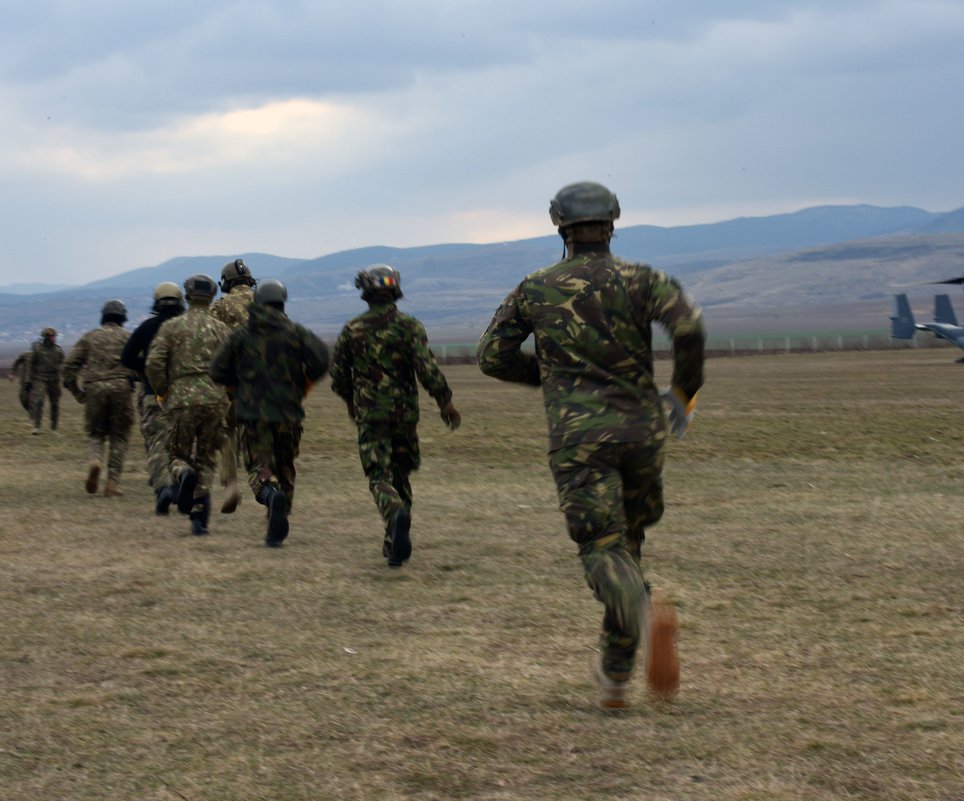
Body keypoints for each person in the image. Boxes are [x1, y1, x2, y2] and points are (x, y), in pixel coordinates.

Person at [477, 181, 706, 709]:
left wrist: (551, 375)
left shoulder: (536, 286)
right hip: (643, 432)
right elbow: (690, 328)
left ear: (560, 226)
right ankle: (615, 679)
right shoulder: (644, 278)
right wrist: (683, 392)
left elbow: (491, 355)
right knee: (627, 547)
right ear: (612, 222)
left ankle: (646, 620)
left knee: (601, 548)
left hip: (580, 437)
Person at [329, 265, 462, 567]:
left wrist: (351, 404)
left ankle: (394, 516)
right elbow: (427, 369)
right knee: (400, 473)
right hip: (405, 414)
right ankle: (395, 538)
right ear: (396, 291)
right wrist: (445, 402)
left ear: (365, 293)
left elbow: (338, 376)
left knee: (379, 474)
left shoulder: (352, 330)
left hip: (370, 413)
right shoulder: (410, 326)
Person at [209, 279, 330, 547]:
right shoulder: (296, 332)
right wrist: (303, 382)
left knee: (259, 467)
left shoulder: (242, 335)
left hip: (253, 415)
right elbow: (322, 359)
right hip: (289, 413)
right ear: (282, 301)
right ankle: (277, 522)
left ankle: (268, 494)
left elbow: (216, 370)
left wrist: (237, 383)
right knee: (285, 466)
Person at [146, 275, 232, 535]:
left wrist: (163, 390)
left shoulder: (172, 327)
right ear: (212, 297)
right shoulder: (222, 329)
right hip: (215, 398)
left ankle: (183, 474)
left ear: (188, 296)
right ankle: (199, 518)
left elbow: (153, 363)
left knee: (177, 454)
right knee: (206, 458)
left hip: (181, 398)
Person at [120, 282, 186, 514]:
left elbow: (126, 358)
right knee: (182, 444)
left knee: (158, 444)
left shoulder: (147, 327)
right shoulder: (186, 327)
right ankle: (182, 477)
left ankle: (164, 489)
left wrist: (146, 367)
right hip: (184, 396)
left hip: (153, 394)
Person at [63, 301, 137, 496]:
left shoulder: (90, 337)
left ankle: (96, 460)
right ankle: (112, 482)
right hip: (121, 387)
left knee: (96, 434)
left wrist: (77, 392)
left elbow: (69, 366)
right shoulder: (128, 338)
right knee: (119, 436)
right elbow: (142, 363)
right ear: (123, 318)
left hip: (94, 388)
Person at [209, 258, 257, 514]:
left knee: (227, 429)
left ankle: (231, 485)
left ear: (226, 284)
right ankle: (269, 487)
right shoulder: (266, 302)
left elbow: (210, 338)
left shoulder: (221, 306)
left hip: (233, 381)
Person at [25, 328, 65, 434]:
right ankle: (37, 427)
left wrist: (64, 375)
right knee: (39, 401)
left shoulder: (58, 350)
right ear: (46, 337)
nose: (54, 338)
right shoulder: (38, 349)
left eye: (54, 336)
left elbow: (63, 363)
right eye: (52, 336)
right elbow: (31, 364)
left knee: (55, 403)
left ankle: (53, 428)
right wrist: (29, 380)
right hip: (40, 378)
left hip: (54, 379)